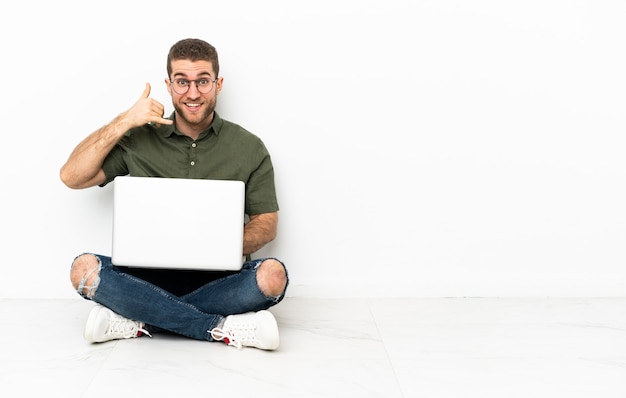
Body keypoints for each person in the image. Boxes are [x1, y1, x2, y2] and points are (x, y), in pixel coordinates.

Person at [59, 38, 288, 350]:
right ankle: (219, 326)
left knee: (273, 276)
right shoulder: (138, 138)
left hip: (219, 280)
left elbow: (266, 223)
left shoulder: (249, 147)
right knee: (83, 270)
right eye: (182, 82)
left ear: (218, 84)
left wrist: (216, 243)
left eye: (203, 81)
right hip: (146, 278)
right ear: (168, 85)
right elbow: (72, 176)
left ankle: (138, 317)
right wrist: (124, 120)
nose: (193, 93)